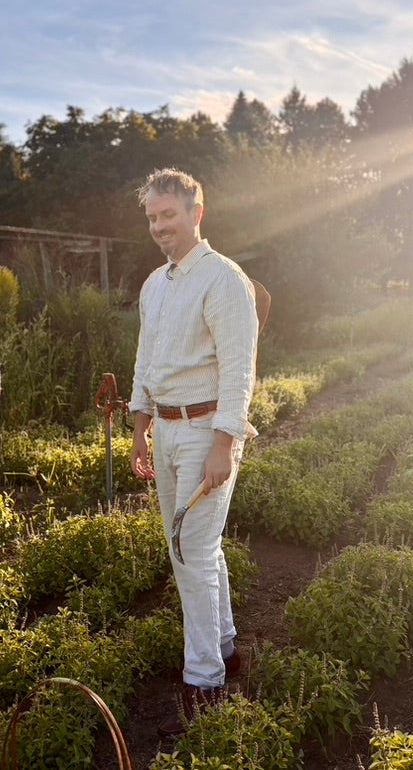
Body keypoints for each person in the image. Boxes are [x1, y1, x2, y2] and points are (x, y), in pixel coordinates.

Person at [129, 167, 258, 738]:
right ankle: (226, 647)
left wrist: (225, 444)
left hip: (208, 431)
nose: (160, 226)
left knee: (190, 549)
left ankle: (204, 678)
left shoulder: (224, 279)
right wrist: (140, 426)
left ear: (196, 213)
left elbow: (239, 369)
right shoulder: (155, 284)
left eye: (169, 215)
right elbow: (145, 359)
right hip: (166, 427)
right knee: (194, 548)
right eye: (153, 217)